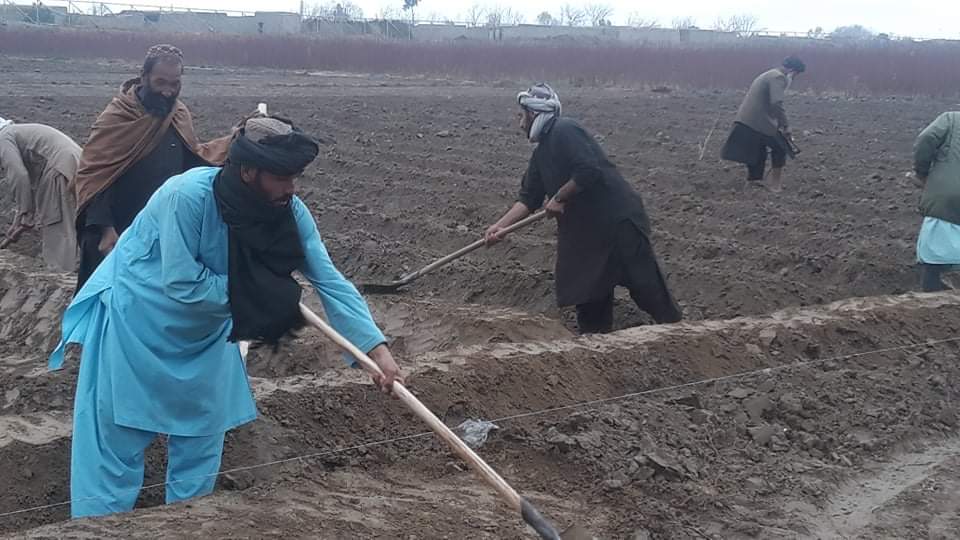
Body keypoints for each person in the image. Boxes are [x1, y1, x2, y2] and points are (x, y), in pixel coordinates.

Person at [48, 116, 403, 519]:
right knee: (115, 445)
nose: (292, 188)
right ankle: (99, 526)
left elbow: (330, 280)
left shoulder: (290, 212)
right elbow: (182, 283)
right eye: (282, 177)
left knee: (200, 441)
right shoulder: (186, 197)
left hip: (206, 335)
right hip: (136, 324)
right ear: (248, 172)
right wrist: (255, 289)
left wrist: (376, 351)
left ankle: (183, 522)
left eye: (295, 177)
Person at [484, 83, 682, 334]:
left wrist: (560, 196)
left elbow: (589, 169)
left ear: (534, 113)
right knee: (589, 294)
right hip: (587, 236)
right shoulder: (541, 154)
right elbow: (528, 199)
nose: (519, 121)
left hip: (616, 222)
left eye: (521, 114)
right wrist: (501, 227)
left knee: (647, 288)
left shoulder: (565, 130)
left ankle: (681, 335)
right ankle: (596, 350)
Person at [73, 44, 234, 290]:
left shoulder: (178, 114)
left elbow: (193, 158)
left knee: (146, 304)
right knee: (103, 300)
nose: (168, 92)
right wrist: (106, 229)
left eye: (175, 84)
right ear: (144, 76)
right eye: (161, 83)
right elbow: (95, 176)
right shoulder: (118, 117)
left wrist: (234, 141)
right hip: (114, 232)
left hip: (157, 230)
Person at [0, 118, 81, 271]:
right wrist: (20, 217)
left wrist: (26, 213)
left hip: (58, 169)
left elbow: (19, 176)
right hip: (73, 164)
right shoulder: (17, 132)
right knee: (76, 224)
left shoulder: (3, 138)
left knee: (57, 228)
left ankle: (62, 276)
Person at [721, 56, 806, 189]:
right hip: (758, 122)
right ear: (791, 70)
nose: (794, 78)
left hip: (747, 120)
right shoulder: (779, 77)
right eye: (795, 74)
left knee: (758, 150)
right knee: (780, 147)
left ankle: (753, 182)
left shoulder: (768, 74)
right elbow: (776, 103)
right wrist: (785, 125)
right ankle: (775, 186)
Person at [914, 111, 960, 292]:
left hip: (946, 196)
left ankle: (931, 303)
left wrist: (922, 172)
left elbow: (926, 138)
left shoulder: (952, 119)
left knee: (934, 256)